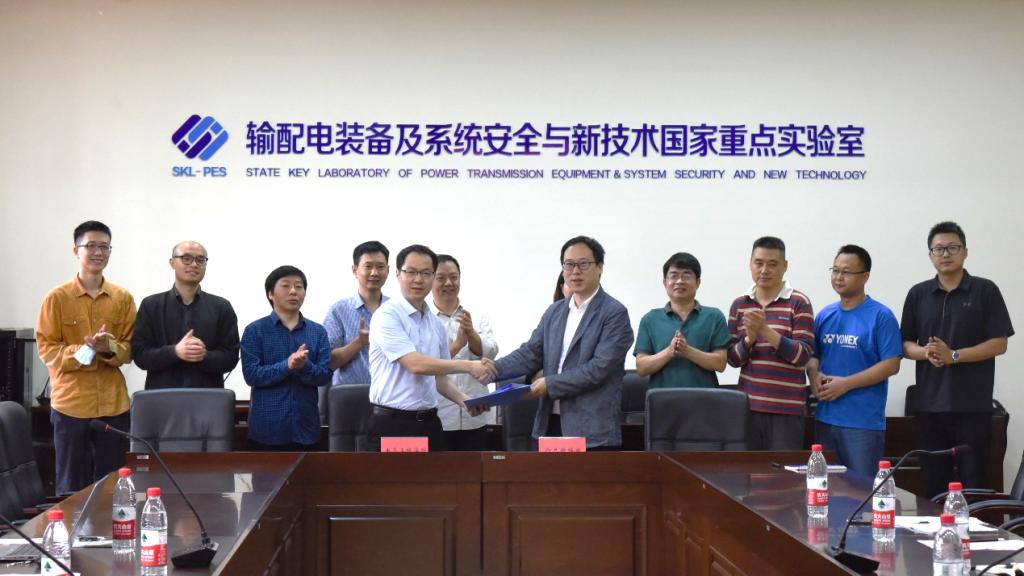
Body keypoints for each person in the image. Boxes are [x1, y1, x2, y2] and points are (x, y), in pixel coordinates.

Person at [490, 236, 634, 450]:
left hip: (591, 431)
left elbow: (598, 369)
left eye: (583, 264)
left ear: (600, 267)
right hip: (549, 423)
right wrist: (492, 369)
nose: (575, 271)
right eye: (569, 264)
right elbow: (531, 353)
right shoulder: (555, 312)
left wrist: (549, 384)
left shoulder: (614, 313)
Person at [901, 221, 1013, 495]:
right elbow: (905, 344)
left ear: (965, 252)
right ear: (930, 255)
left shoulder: (985, 290)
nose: (945, 254)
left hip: (972, 406)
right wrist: (926, 352)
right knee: (932, 486)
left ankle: (973, 525)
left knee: (973, 483)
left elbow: (1000, 343)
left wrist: (954, 355)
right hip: (928, 406)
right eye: (938, 249)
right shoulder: (918, 294)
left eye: (953, 247)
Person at [36, 220, 136, 495]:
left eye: (105, 247)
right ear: (76, 250)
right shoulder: (56, 298)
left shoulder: (122, 298)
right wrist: (84, 350)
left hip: (113, 407)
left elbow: (130, 349)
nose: (98, 252)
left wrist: (107, 347)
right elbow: (47, 349)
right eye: (91, 246)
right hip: (71, 405)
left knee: (113, 487)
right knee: (70, 487)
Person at [368, 244, 492, 451]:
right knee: (395, 475)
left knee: (437, 474)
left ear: (433, 277)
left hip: (430, 422)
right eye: (411, 272)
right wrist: (469, 365)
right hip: (394, 423)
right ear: (398, 274)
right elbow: (415, 364)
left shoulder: (434, 323)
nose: (418, 279)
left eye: (426, 273)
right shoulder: (387, 315)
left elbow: (439, 379)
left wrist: (465, 401)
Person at [805, 245, 901, 479]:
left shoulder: (881, 316)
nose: (838, 277)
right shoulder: (825, 314)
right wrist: (813, 375)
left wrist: (846, 384)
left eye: (846, 272)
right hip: (825, 418)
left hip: (862, 423)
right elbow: (813, 356)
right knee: (824, 488)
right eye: (835, 270)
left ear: (865, 276)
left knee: (861, 490)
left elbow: (891, 364)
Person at [727, 236, 814, 450]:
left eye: (772, 264)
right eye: (759, 263)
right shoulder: (739, 304)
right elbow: (732, 359)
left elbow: (802, 356)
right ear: (750, 264)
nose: (764, 270)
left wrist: (765, 331)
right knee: (748, 469)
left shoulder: (799, 302)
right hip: (748, 407)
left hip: (787, 410)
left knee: (783, 470)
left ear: (785, 266)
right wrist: (750, 340)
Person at [241, 265, 331, 450]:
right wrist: (287, 365)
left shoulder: (318, 332)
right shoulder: (255, 330)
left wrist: (305, 366)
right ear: (270, 294)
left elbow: (324, 375)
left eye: (299, 286)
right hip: (267, 430)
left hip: (306, 428)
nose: (293, 291)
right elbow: (251, 375)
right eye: (285, 286)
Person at [132, 241, 240, 389]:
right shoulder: (151, 305)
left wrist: (201, 355)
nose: (194, 264)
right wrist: (174, 351)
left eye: (200, 260)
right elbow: (139, 355)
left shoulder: (221, 307)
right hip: (162, 395)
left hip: (208, 396)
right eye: (186, 258)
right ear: (172, 262)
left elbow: (231, 357)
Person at [428, 254, 499, 451]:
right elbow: (427, 365)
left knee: (475, 467)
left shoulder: (475, 313)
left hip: (476, 413)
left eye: (454, 277)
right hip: (440, 414)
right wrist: (458, 345)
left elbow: (490, 352)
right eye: (441, 278)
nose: (448, 283)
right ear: (431, 279)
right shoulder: (425, 319)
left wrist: (471, 333)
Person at [634, 252, 729, 388]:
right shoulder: (650, 319)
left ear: (698, 282)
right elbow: (642, 367)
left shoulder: (714, 316)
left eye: (686, 276)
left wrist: (687, 351)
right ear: (665, 283)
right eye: (673, 276)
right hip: (662, 398)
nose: (679, 281)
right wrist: (669, 352)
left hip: (705, 398)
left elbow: (720, 363)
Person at [321, 241, 390, 422]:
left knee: (391, 441)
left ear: (388, 270)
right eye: (368, 266)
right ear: (355, 270)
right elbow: (327, 363)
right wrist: (359, 343)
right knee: (348, 442)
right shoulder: (338, 310)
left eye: (380, 267)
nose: (374, 272)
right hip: (349, 401)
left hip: (392, 401)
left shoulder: (397, 310)